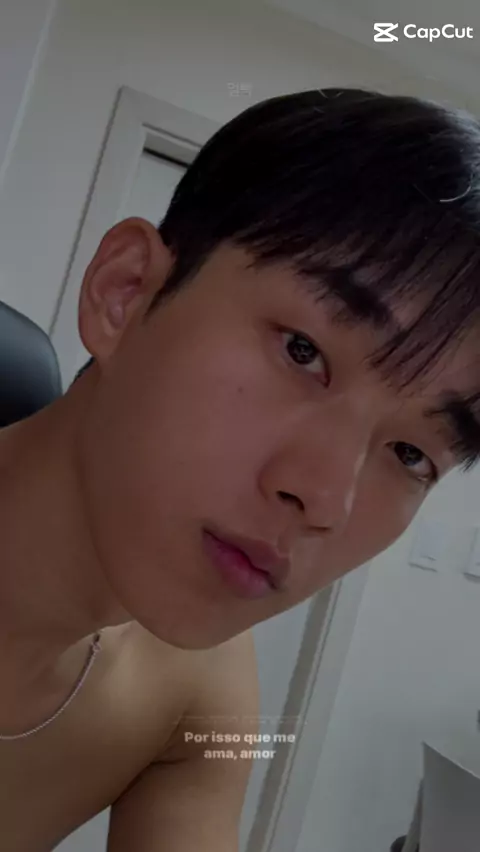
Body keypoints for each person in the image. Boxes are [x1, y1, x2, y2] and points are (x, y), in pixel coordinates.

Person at [1, 87, 480, 851]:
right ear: (126, 294)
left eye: (411, 454)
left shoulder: (199, 691)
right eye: (303, 352)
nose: (325, 497)